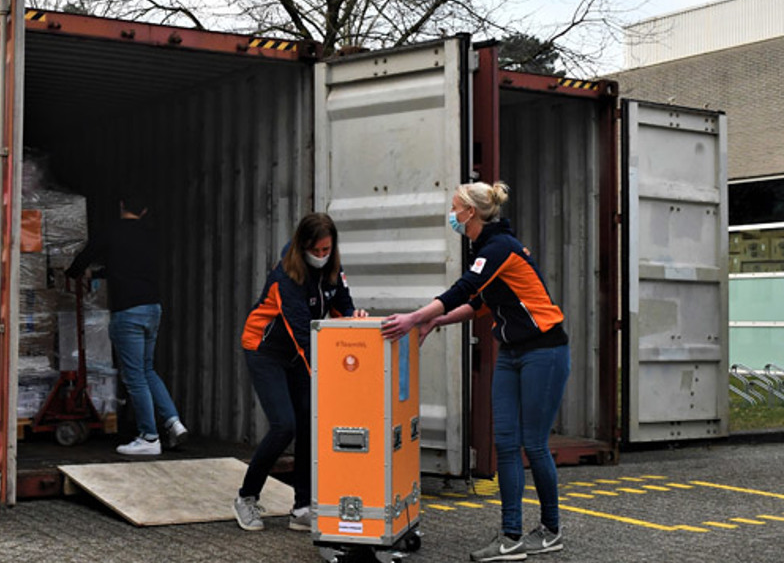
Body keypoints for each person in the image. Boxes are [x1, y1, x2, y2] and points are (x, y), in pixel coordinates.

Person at [381, 182, 570, 561]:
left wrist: (416, 317)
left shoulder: (500, 247)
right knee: (504, 443)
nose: (451, 214)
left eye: (455, 207)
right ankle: (511, 536)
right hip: (512, 352)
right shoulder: (487, 249)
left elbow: (465, 288)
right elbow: (480, 302)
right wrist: (437, 323)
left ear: (471, 212)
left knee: (532, 444)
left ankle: (551, 529)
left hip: (544, 351)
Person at [232, 212, 368, 532]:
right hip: (265, 350)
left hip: (296, 354)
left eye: (326, 250)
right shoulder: (285, 279)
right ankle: (246, 497)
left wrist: (353, 317)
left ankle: (302, 507)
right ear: (302, 246)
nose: (321, 256)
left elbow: (341, 305)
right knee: (284, 425)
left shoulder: (333, 267)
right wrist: (328, 377)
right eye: (316, 251)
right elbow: (302, 335)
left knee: (310, 421)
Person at [67, 193, 187, 456]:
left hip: (128, 313)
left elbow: (84, 258)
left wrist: (72, 273)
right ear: (144, 211)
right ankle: (173, 421)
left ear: (121, 205)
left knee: (134, 377)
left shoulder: (112, 231)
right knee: (147, 369)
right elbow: (127, 267)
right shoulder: (150, 235)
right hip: (152, 308)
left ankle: (149, 437)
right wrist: (100, 273)